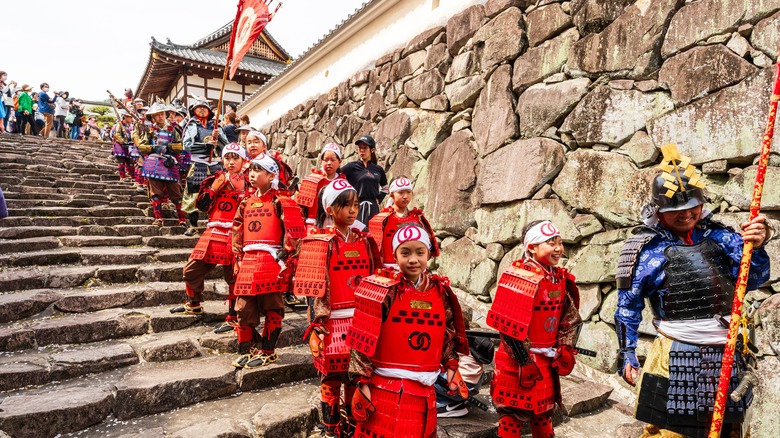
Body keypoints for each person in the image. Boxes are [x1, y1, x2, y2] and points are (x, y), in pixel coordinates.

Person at [614, 144, 771, 438]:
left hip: (729, 350)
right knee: (672, 431)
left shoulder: (722, 237)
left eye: (692, 208)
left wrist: (758, 246)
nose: (686, 215)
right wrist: (628, 354)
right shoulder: (643, 249)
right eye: (676, 211)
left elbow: (752, 280)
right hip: (676, 350)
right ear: (658, 210)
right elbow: (627, 307)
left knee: (731, 429)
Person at [347, 223, 470, 438]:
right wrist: (362, 380)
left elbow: (446, 331)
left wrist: (451, 365)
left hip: (426, 388)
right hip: (385, 387)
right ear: (394, 255)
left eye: (419, 252)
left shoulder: (439, 291)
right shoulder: (383, 289)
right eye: (405, 252)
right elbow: (362, 336)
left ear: (429, 255)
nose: (413, 259)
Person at [294, 178, 380, 437]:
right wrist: (317, 325)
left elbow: (376, 278)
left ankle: (354, 425)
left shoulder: (366, 242)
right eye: (346, 205)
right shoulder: (320, 242)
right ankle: (331, 427)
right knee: (331, 377)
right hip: (332, 321)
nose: (353, 211)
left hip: (362, 320)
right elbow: (315, 289)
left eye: (355, 205)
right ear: (330, 209)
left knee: (357, 375)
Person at [488, 220, 582, 438]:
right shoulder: (519, 275)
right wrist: (524, 360)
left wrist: (566, 346)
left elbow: (569, 317)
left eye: (560, 242)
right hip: (517, 363)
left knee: (543, 414)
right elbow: (508, 325)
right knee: (512, 417)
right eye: (550, 243)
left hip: (547, 360)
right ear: (531, 247)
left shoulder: (558, 277)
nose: (558, 248)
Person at [230, 153, 306, 369]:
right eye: (250, 171)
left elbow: (292, 229)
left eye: (258, 171)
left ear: (271, 174)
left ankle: (268, 351)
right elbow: (237, 228)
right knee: (243, 307)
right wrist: (237, 255)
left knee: (272, 305)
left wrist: (287, 251)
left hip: (271, 258)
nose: (252, 175)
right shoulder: (245, 201)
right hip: (249, 258)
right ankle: (250, 347)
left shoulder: (280, 200)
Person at [173, 143, 247, 321]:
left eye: (235, 158)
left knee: (233, 277)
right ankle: (194, 303)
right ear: (222, 160)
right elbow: (203, 207)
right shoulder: (216, 178)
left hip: (236, 233)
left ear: (243, 160)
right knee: (191, 270)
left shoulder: (250, 180)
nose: (231, 162)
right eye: (227, 158)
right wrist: (214, 188)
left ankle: (233, 316)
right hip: (213, 231)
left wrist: (240, 190)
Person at [134, 101, 187, 227]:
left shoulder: (173, 130)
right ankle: (158, 218)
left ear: (166, 114)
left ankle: (182, 220)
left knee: (176, 192)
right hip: (153, 162)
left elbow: (181, 146)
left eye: (162, 114)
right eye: (157, 115)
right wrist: (153, 147)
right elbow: (141, 146)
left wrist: (169, 146)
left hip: (169, 161)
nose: (160, 117)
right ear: (153, 117)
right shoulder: (148, 130)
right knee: (155, 193)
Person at [368, 176, 438, 269]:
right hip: (388, 268)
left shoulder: (418, 218)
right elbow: (373, 250)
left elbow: (427, 246)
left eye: (408, 192)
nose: (405, 196)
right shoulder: (382, 219)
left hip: (413, 267)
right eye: (401, 192)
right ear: (392, 195)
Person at [182, 99, 228, 237]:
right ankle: (193, 226)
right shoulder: (192, 125)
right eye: (199, 107)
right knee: (194, 194)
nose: (202, 109)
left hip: (216, 164)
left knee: (218, 193)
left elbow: (226, 146)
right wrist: (204, 146)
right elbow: (187, 145)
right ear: (194, 111)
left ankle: (215, 223)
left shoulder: (216, 127)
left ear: (209, 111)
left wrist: (218, 138)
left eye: (204, 107)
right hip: (199, 164)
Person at [341, 135, 388, 226]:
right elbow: (337, 177)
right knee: (357, 235)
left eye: (365, 148)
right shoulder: (351, 167)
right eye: (360, 148)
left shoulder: (378, 169)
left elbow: (385, 188)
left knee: (373, 236)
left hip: (373, 208)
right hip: (356, 207)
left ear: (372, 150)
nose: (362, 150)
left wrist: (378, 199)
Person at [296, 143, 343, 232]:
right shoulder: (311, 180)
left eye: (333, 160)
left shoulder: (343, 183)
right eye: (326, 160)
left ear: (340, 162)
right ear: (321, 161)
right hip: (312, 227)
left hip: (336, 227)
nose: (329, 163)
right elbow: (300, 210)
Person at [111, 110, 137, 181]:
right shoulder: (119, 124)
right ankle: (122, 177)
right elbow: (116, 134)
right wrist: (123, 141)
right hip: (120, 145)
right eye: (130, 117)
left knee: (130, 162)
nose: (131, 119)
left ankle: (133, 177)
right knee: (121, 161)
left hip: (128, 145)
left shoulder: (130, 126)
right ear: (125, 117)